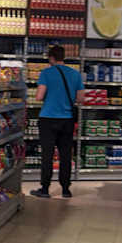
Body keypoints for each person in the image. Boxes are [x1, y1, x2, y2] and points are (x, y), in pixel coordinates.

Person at [31, 44, 83, 199]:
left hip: (48, 118)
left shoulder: (46, 73)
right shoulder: (75, 74)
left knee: (47, 155)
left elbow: (39, 96)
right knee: (65, 155)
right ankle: (66, 189)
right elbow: (81, 98)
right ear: (63, 57)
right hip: (67, 120)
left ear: (51, 58)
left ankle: (45, 189)